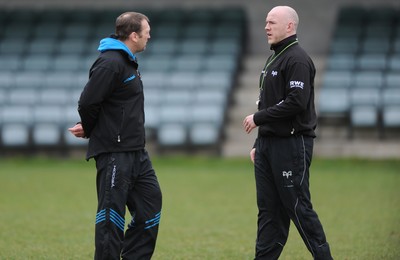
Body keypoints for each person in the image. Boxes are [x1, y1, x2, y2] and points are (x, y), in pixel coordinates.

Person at [68, 12, 162, 260]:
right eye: (146, 32)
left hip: (136, 153)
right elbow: (88, 102)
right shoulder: (111, 62)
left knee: (150, 207)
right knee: (111, 218)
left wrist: (90, 126)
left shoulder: (127, 62)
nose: (149, 36)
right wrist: (89, 127)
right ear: (133, 35)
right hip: (114, 153)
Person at [242, 6, 333, 260]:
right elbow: (270, 101)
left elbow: (296, 102)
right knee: (268, 211)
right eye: (266, 22)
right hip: (268, 147)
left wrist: (258, 119)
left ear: (289, 26)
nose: (266, 27)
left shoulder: (297, 59)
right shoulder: (275, 57)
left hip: (292, 145)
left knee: (298, 207)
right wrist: (260, 143)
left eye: (271, 22)